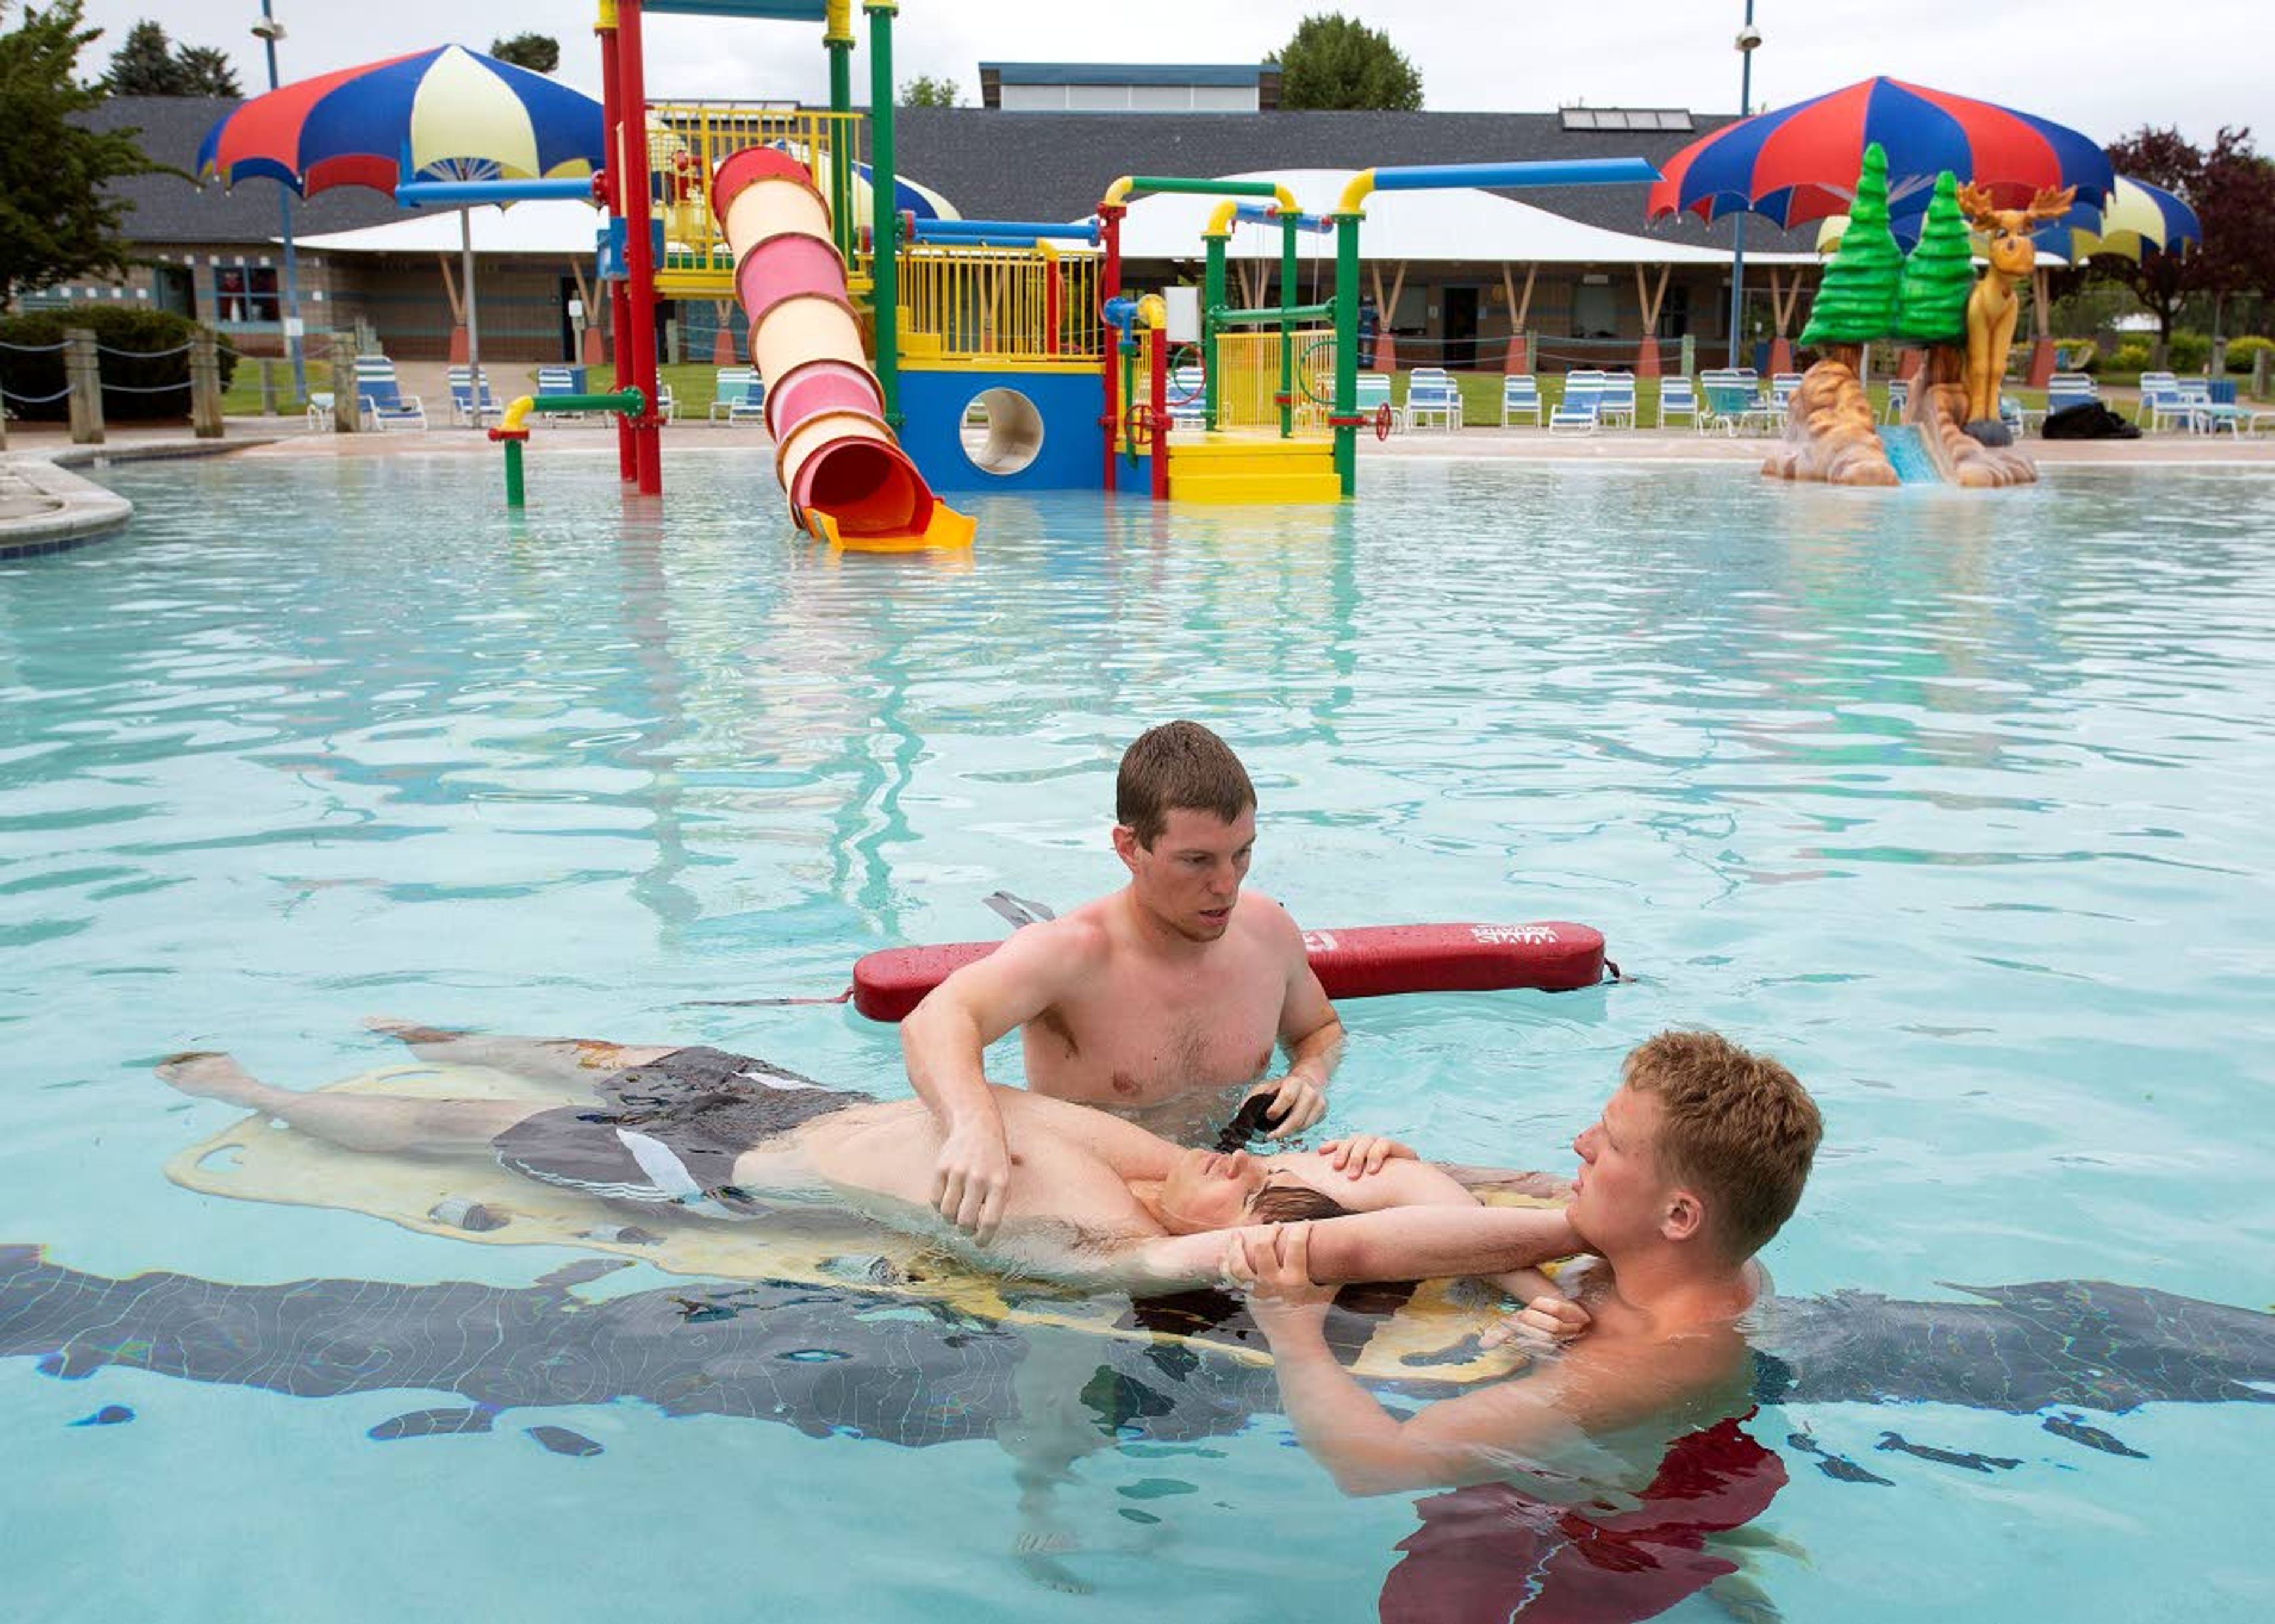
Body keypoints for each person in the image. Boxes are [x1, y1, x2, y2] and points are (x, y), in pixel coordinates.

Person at [156, 1019, 1565, 1298]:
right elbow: (1372, 1204)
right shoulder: (1142, 1157)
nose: (1220, 1170)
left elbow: (1353, 1243)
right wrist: (1395, 1150)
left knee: (444, 1131)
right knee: (561, 1049)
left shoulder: (1116, 1239)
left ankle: (262, 1085)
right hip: (776, 1092)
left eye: (1239, 1186)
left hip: (704, 1170)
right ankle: (434, 1028)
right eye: (1233, 1174)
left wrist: (1546, 1247)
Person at [1224, 1029, 1822, 1496]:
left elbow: (1377, 1465)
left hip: (1609, 1527)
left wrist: (1293, 1331)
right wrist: (1414, 1174)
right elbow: (1536, 1217)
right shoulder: (1693, 1255)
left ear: (1679, 1218)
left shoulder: (1634, 1371)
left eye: (1611, 1143)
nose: (1580, 1144)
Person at [901, 720, 1345, 1243]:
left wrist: (1309, 1076)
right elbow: (934, 1019)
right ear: (1130, 848)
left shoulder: (1267, 933)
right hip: (1097, 1214)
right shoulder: (1072, 953)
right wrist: (973, 1126)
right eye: (1196, 861)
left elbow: (1321, 1029)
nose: (1226, 885)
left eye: (1241, 853)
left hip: (1229, 1194)